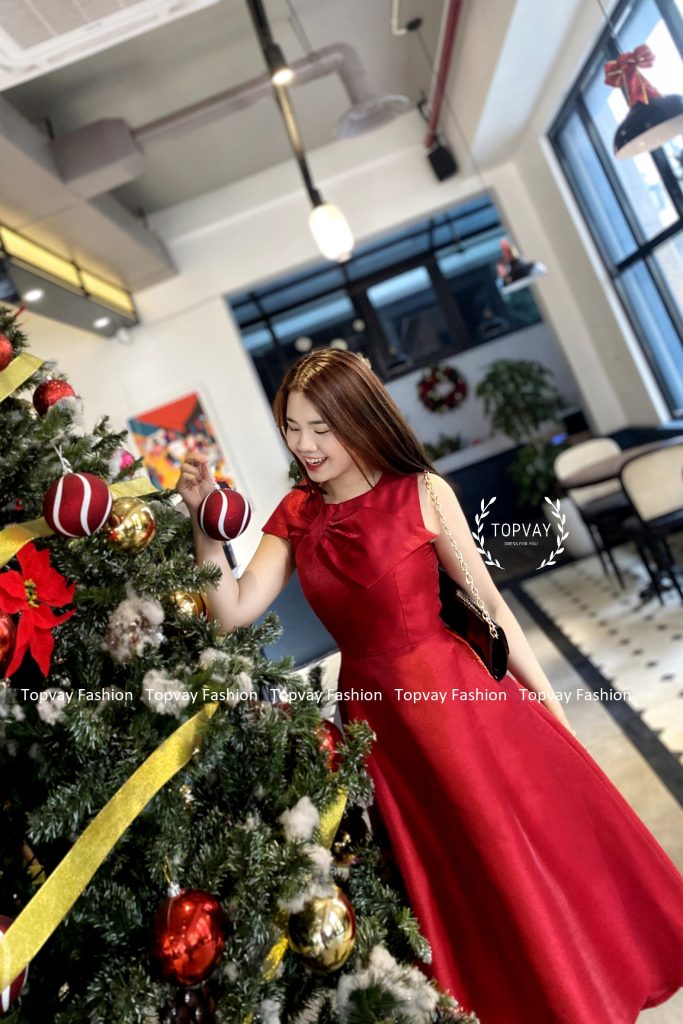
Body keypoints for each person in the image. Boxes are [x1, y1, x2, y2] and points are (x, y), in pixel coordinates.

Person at [178, 349, 683, 1024]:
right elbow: (232, 612)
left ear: (358, 418)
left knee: (513, 854)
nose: (304, 445)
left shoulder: (422, 492)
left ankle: (576, 994)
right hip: (378, 724)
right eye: (292, 428)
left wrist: (549, 705)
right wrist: (202, 526)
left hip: (457, 704)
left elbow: (489, 606)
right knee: (455, 879)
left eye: (320, 427)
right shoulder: (296, 513)